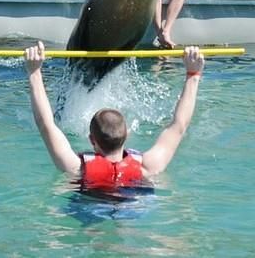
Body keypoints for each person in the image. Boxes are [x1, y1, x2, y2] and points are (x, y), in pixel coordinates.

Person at [24, 42, 205, 189]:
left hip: (89, 214)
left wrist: (34, 71)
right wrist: (193, 74)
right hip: (133, 213)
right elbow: (179, 126)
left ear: (91, 140)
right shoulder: (147, 167)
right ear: (126, 135)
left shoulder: (78, 169)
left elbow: (46, 124)